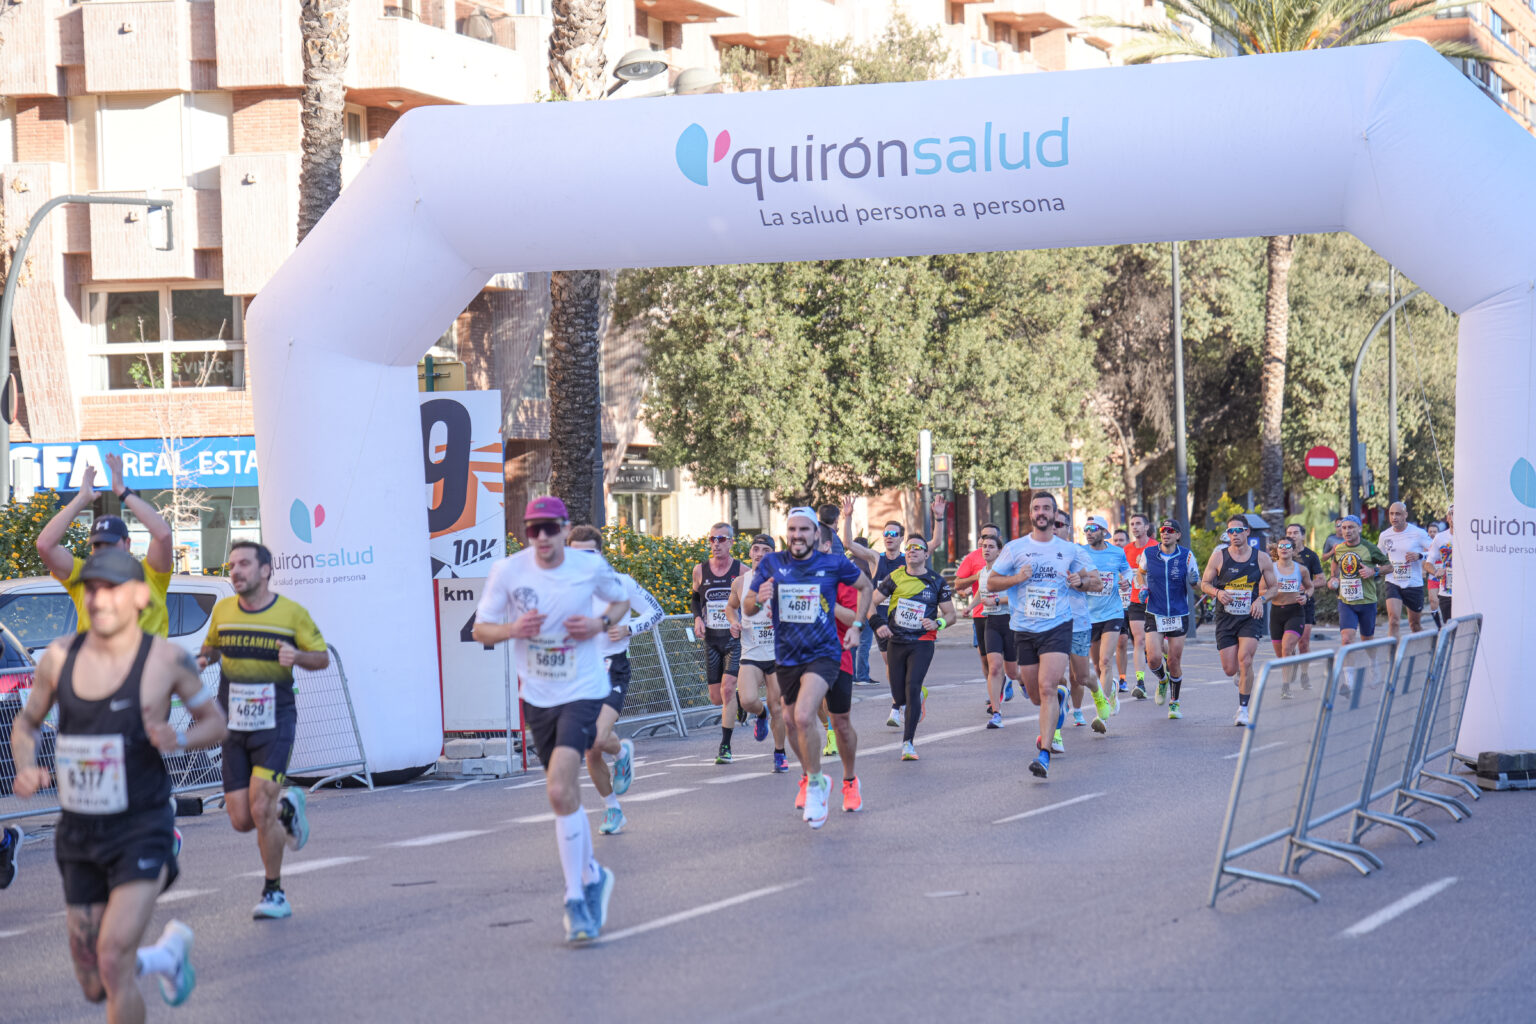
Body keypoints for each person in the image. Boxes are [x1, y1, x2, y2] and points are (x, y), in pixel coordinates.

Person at [10, 549, 226, 1020]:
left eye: (112, 588)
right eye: (92, 588)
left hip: (141, 826)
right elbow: (26, 724)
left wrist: (181, 737)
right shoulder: (60, 657)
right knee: (93, 982)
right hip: (79, 833)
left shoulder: (166, 660)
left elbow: (216, 723)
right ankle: (165, 957)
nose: (99, 598)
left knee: (111, 958)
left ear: (140, 596)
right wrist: (26, 765)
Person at [474, 497, 630, 944]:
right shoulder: (509, 571)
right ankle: (593, 873)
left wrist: (599, 625)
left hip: (583, 689)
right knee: (563, 799)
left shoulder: (587, 567)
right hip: (537, 695)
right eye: (532, 529)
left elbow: (619, 603)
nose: (541, 537)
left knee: (561, 786)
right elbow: (481, 629)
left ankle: (575, 897)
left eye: (549, 528)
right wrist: (512, 630)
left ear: (564, 529)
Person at [198, 541, 329, 920]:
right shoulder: (222, 610)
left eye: (244, 564)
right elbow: (214, 647)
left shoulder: (291, 613)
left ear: (266, 570)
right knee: (242, 819)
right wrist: (205, 657)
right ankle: (288, 809)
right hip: (233, 724)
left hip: (275, 722)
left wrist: (298, 656)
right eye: (232, 565)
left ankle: (274, 892)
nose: (236, 571)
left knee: (260, 806)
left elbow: (320, 657)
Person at [743, 509, 873, 829]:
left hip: (830, 654)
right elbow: (746, 605)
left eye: (805, 529)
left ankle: (842, 781)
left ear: (817, 534)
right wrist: (759, 600)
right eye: (792, 529)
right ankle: (810, 776)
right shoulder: (775, 564)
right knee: (790, 720)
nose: (797, 535)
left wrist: (855, 624)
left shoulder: (834, 566)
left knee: (823, 720)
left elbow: (865, 590)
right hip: (788, 656)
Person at [986, 491, 1096, 779]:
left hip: (1057, 626)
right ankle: (1055, 703)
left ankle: (1044, 753)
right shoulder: (1015, 548)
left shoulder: (1068, 550)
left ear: (1054, 513)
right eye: (1037, 508)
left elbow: (1095, 582)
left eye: (1047, 508)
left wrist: (1080, 581)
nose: (1042, 513)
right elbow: (992, 583)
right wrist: (1017, 579)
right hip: (1024, 628)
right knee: (1035, 694)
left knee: (1047, 687)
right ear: (1031, 514)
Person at [566, 526, 665, 836]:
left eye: (588, 555)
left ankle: (621, 754)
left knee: (596, 737)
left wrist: (629, 629)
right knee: (591, 750)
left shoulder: (621, 584)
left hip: (612, 669)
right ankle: (613, 809)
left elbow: (656, 611)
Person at [37, 456, 174, 638]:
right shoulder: (82, 576)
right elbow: (44, 545)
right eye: (98, 544)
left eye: (110, 543)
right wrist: (82, 498)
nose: (104, 550)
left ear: (127, 543)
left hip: (146, 665)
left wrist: (122, 491)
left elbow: (163, 535)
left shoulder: (150, 574)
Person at [871, 533, 955, 760]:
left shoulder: (937, 581)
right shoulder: (895, 577)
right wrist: (877, 623)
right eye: (909, 548)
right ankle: (911, 700)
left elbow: (951, 614)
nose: (912, 551)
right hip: (896, 641)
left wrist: (938, 622)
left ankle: (908, 742)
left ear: (926, 554)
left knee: (912, 686)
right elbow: (870, 602)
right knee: (899, 696)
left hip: (922, 642)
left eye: (918, 548)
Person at [1201, 517, 1278, 726]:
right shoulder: (1218, 557)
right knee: (1229, 668)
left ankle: (1243, 709)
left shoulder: (1261, 558)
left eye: (1238, 530)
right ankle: (1238, 673)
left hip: (1250, 616)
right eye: (1230, 531)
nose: (1234, 535)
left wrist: (1261, 600)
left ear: (1247, 532)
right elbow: (1204, 583)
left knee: (1246, 659)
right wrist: (1217, 593)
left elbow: (1274, 588)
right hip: (1226, 616)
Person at [727, 533, 791, 773]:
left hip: (777, 654)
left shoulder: (783, 580)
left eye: (766, 550)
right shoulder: (741, 582)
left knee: (778, 707)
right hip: (751, 651)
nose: (760, 554)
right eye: (756, 549)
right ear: (751, 553)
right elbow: (730, 608)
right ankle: (760, 714)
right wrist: (733, 622)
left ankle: (779, 753)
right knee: (747, 700)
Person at [691, 523, 744, 765]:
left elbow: (754, 604)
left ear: (731, 542)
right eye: (712, 539)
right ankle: (741, 701)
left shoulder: (742, 571)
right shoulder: (700, 570)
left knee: (726, 689)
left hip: (734, 640)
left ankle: (725, 746)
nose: (716, 544)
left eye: (721, 539)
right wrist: (697, 618)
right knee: (716, 697)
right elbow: (695, 597)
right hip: (712, 640)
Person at [1137, 520, 1200, 721]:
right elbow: (1141, 573)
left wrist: (1200, 583)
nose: (1165, 534)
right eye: (1163, 531)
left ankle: (1174, 702)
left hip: (1179, 613)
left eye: (1170, 531)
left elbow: (1196, 581)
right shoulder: (1149, 554)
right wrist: (1143, 587)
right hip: (1155, 611)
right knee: (1153, 658)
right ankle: (1162, 680)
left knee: (1173, 660)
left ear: (1178, 535)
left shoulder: (1187, 556)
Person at [1079, 515, 1130, 720]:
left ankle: (1103, 714)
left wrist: (1126, 581)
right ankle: (1111, 692)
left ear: (1104, 531)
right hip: (1089, 616)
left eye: (1093, 528)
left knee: (1105, 661)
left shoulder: (1117, 552)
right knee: (1096, 664)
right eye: (1086, 528)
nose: (1089, 532)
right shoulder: (1080, 552)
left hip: (1113, 613)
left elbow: (1127, 571)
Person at [972, 533, 1019, 729]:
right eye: (984, 546)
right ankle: (996, 712)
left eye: (991, 546)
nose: (986, 549)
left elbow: (1016, 595)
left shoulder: (1007, 572)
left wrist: (998, 600)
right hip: (990, 621)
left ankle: (1021, 683)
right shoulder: (982, 572)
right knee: (994, 667)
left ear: (1000, 551)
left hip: (1008, 621)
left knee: (1013, 671)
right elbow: (980, 593)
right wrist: (970, 606)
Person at [1326, 514, 1391, 646]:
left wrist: (1373, 571)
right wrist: (1333, 578)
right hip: (1346, 602)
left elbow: (1390, 567)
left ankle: (1372, 665)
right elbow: (1335, 562)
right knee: (1347, 639)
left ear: (1359, 529)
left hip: (1367, 601)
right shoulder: (1339, 549)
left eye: (1351, 527)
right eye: (1343, 528)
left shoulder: (1369, 548)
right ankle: (1349, 667)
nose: (1347, 531)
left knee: (1367, 642)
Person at [1377, 501, 1432, 638]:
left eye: (1398, 514)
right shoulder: (1385, 535)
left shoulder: (1418, 533)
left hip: (1413, 583)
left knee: (1414, 625)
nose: (1394, 517)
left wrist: (1420, 555)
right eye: (1391, 514)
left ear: (1405, 515)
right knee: (1393, 621)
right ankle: (1393, 655)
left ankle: (1421, 650)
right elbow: (1378, 556)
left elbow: (1434, 551)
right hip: (1393, 581)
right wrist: (1377, 568)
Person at [1268, 537, 1314, 696]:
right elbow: (1260, 590)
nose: (1284, 548)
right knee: (1281, 654)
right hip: (1276, 613)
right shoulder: (1270, 569)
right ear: (1277, 550)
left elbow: (1310, 587)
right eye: (1281, 546)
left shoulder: (1301, 570)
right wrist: (1272, 591)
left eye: (1288, 546)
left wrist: (1306, 596)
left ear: (1293, 550)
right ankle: (1291, 662)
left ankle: (1285, 688)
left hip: (1295, 612)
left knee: (1286, 648)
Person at [1122, 513, 1157, 699]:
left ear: (1146, 527)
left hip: (1156, 601)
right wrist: (1125, 581)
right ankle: (1140, 683)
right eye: (1132, 524)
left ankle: (1165, 665)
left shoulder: (1156, 547)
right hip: (1135, 600)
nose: (1134, 527)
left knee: (1156, 646)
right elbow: (1124, 572)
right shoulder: (1126, 549)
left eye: (1138, 524)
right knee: (1139, 640)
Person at [1284, 523, 1325, 653]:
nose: (1292, 536)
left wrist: (1308, 584)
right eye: (1289, 533)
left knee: (1303, 643)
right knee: (1288, 644)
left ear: (1303, 536)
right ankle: (1290, 671)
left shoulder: (1311, 556)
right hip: (1285, 603)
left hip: (1305, 603)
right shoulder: (1282, 555)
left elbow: (1322, 580)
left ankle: (1304, 673)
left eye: (1295, 533)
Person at [1426, 505, 1455, 624]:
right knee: (1450, 627)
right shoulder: (1440, 538)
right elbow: (1428, 564)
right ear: (1447, 517)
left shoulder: (1472, 536)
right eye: (1452, 513)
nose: (1455, 517)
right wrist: (1436, 572)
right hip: (1446, 590)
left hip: (1465, 592)